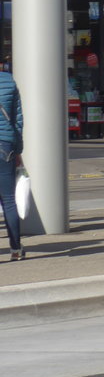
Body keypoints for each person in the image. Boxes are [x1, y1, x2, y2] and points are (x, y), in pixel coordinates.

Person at [0, 66, 25, 260]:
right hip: (5, 145)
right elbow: (18, 120)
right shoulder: (9, 82)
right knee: (8, 200)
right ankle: (16, 249)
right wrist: (18, 150)